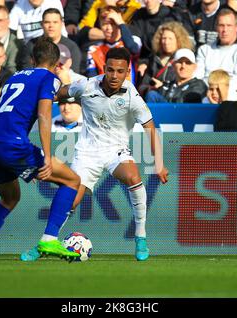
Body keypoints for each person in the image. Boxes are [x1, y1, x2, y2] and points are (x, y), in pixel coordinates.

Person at [0, 37, 81, 266]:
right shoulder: (49, 78)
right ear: (56, 64)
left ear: (33, 59)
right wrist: (46, 156)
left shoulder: (14, 77)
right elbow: (45, 114)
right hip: (14, 144)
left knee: (10, 198)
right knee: (72, 181)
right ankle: (49, 239)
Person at [54, 47, 169, 262]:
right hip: (87, 153)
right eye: (110, 70)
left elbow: (150, 129)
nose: (114, 75)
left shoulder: (132, 96)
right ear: (104, 68)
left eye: (120, 71)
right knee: (70, 201)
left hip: (116, 151)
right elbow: (58, 94)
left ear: (127, 72)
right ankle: (47, 241)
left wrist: (159, 164)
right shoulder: (87, 85)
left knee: (134, 177)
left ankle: (141, 237)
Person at [195, 7, 237, 92]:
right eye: (221, 25)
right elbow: (198, 77)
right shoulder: (204, 50)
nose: (225, 30)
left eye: (229, 25)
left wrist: (219, 93)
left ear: (236, 27)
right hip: (206, 94)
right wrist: (211, 92)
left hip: (232, 96)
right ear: (216, 27)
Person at [137, 20, 195, 96]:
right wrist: (150, 88)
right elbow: (142, 86)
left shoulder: (185, 60)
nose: (166, 42)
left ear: (179, 40)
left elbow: (184, 84)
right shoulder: (154, 59)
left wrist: (163, 87)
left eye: (170, 39)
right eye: (164, 38)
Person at [86, 6, 141, 83]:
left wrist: (121, 23)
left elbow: (133, 49)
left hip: (129, 91)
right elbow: (91, 77)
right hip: (103, 91)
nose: (108, 28)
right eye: (105, 24)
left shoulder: (133, 40)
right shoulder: (93, 49)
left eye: (112, 23)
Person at [41, 8, 82, 73]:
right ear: (41, 24)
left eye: (55, 22)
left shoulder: (72, 47)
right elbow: (27, 73)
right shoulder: (32, 45)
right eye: (47, 22)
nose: (51, 25)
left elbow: (75, 76)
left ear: (62, 24)